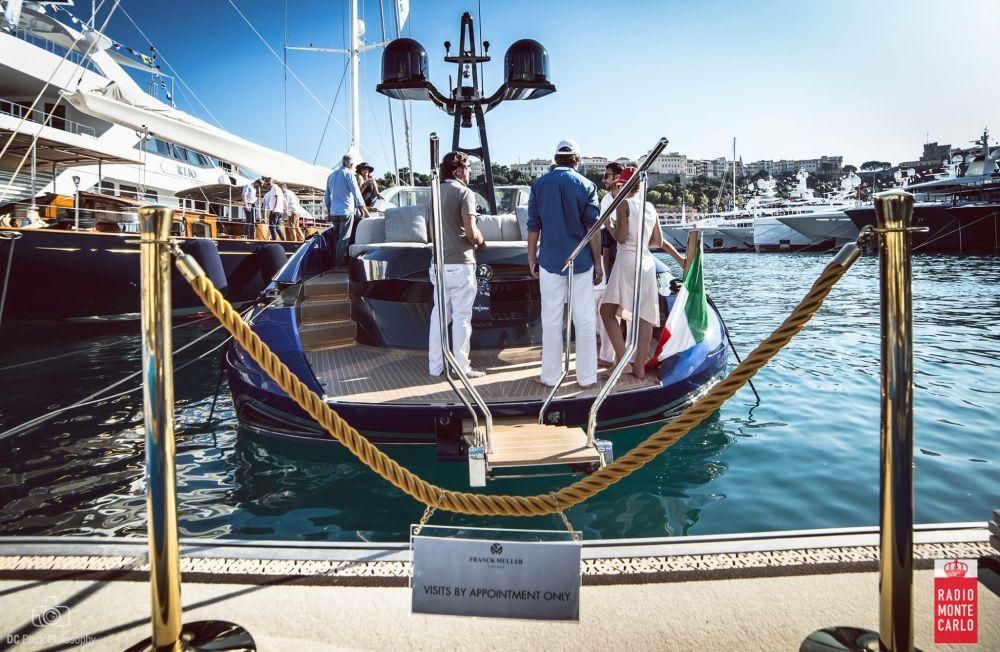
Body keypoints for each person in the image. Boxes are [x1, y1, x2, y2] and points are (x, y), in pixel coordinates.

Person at [526, 139, 602, 389]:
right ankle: (587, 378)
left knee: (550, 320)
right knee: (585, 319)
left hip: (549, 261)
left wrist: (531, 258)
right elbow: (592, 228)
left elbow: (533, 226)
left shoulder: (539, 185)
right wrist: (598, 262)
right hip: (581, 261)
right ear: (576, 160)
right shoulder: (587, 185)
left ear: (555, 158)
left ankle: (550, 376)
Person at [599, 166, 685, 380]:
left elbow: (620, 238)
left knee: (607, 311)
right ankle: (639, 367)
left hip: (627, 262)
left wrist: (609, 225)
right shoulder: (650, 207)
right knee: (645, 316)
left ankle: (622, 361)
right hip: (646, 262)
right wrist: (680, 259)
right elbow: (658, 241)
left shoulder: (624, 204)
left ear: (625, 184)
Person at [427, 151, 486, 379]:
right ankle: (461, 368)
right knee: (462, 317)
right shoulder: (465, 193)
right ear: (459, 170)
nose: (470, 172)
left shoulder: (433, 193)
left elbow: (430, 231)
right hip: (461, 264)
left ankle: (435, 367)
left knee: (439, 316)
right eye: (468, 167)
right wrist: (481, 242)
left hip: (438, 264)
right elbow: (471, 232)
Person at [596, 161, 624, 367]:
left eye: (607, 175)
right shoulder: (606, 199)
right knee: (606, 245)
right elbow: (605, 224)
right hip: (611, 237)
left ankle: (620, 353)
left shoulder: (627, 198)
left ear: (616, 177)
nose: (604, 179)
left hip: (621, 238)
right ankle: (607, 278)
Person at [324, 154, 367, 268]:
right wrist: (365, 211)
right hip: (346, 211)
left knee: (336, 237)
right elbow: (356, 193)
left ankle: (334, 262)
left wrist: (329, 210)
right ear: (350, 164)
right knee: (344, 238)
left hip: (334, 212)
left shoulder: (331, 175)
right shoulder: (349, 174)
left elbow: (327, 196)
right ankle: (339, 264)